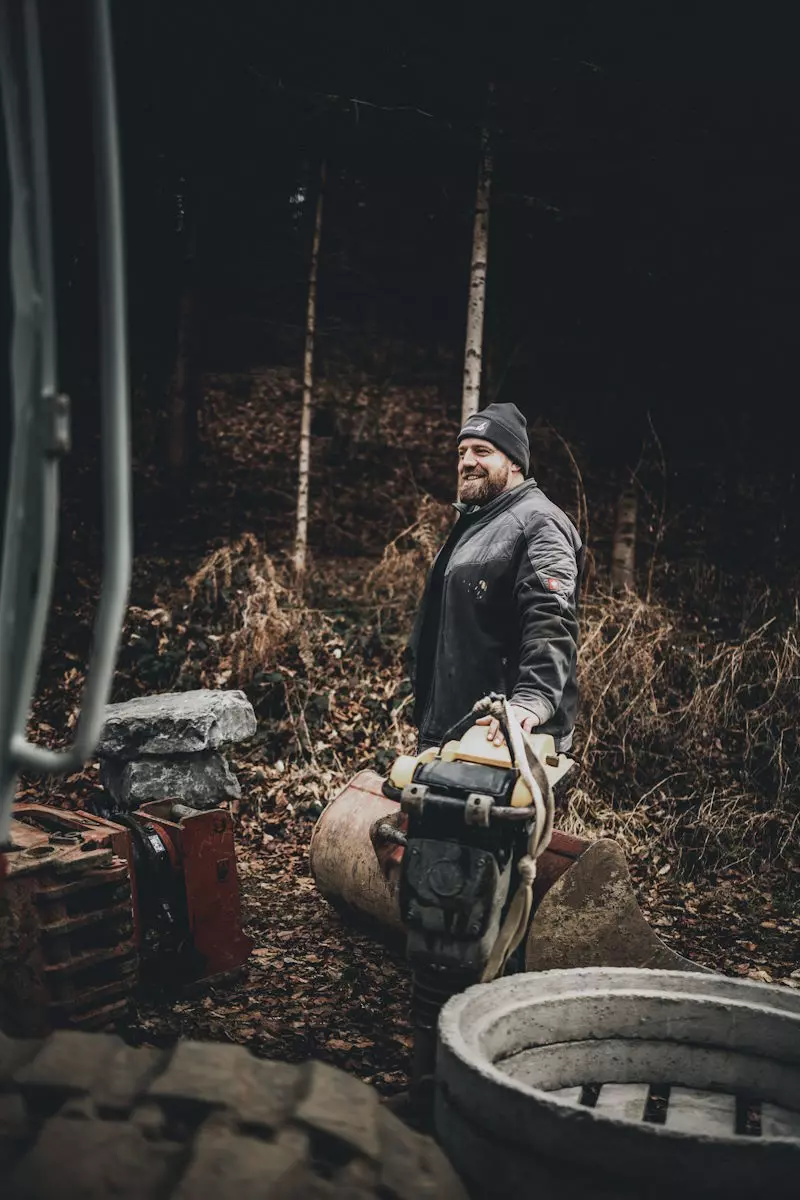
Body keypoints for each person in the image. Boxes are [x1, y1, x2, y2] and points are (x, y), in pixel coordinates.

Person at [408, 402, 584, 754]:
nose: (466, 462)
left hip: (505, 736)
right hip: (456, 732)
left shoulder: (538, 522)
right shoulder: (477, 524)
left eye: (482, 451)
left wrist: (530, 701)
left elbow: (551, 621)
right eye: (462, 452)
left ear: (515, 461)